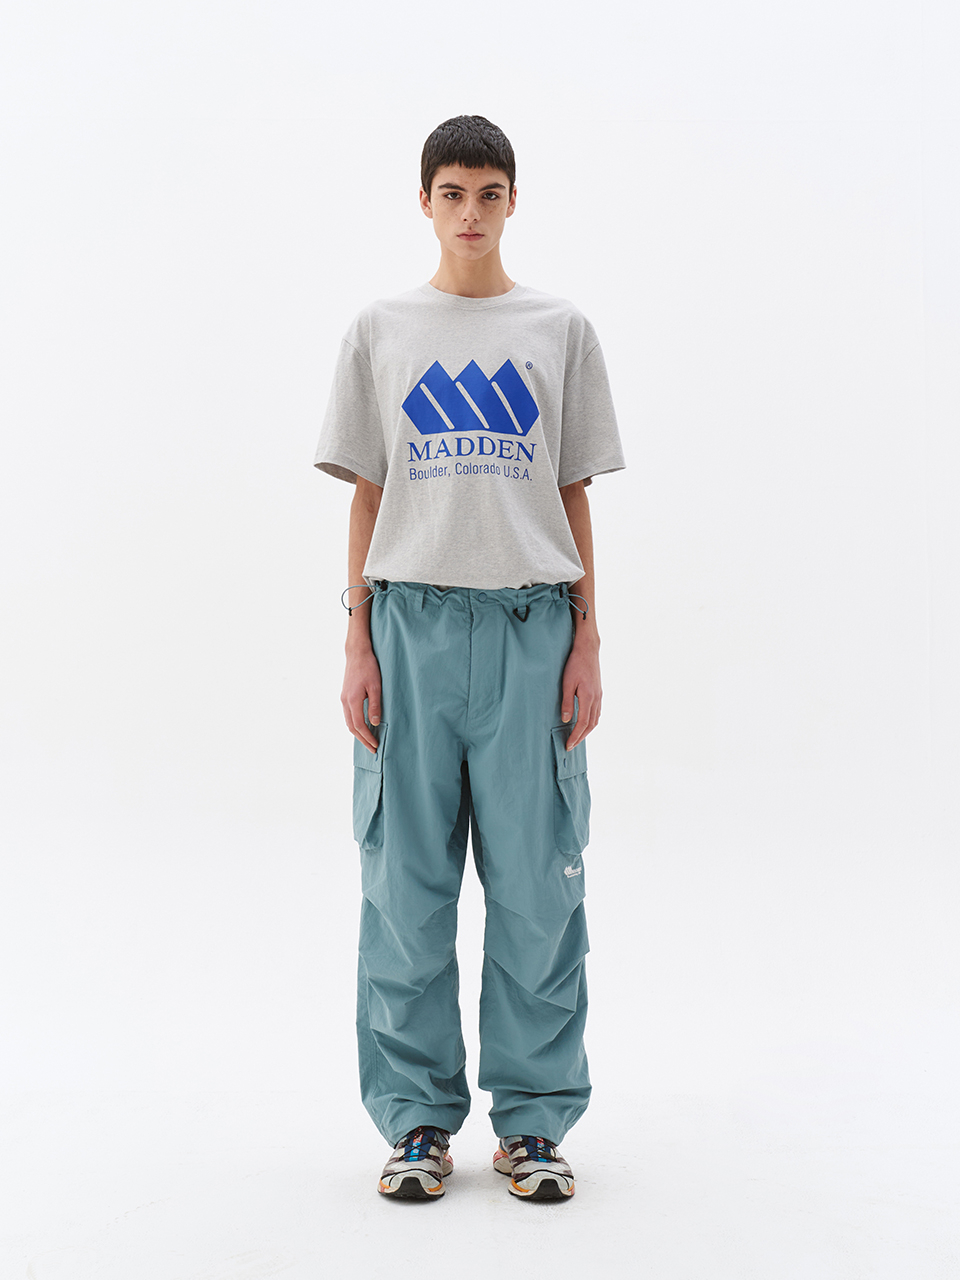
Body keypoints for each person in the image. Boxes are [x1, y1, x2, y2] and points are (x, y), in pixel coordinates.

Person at [314, 114, 625, 1201]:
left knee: (538, 888)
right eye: (452, 192)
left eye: (489, 193)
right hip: (409, 627)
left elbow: (573, 490)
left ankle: (533, 1124)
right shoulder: (382, 329)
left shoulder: (558, 328)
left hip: (533, 629)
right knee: (405, 888)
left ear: (512, 201)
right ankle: (415, 1122)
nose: (471, 212)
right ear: (425, 201)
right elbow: (367, 493)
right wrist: (356, 635)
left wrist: (588, 634)